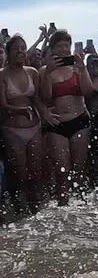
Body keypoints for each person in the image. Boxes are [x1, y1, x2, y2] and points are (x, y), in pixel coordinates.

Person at [38, 29, 98, 204]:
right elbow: (45, 97)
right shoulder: (45, 70)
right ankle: (63, 205)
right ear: (52, 49)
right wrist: (48, 73)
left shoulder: (77, 67)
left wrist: (82, 70)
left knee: (79, 169)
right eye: (59, 46)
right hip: (57, 124)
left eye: (67, 45)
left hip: (80, 119)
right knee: (61, 171)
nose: (64, 49)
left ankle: (80, 206)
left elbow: (88, 92)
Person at [0, 35, 47, 211]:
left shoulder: (32, 72)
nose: (20, 51)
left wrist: (46, 114)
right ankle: (20, 208)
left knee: (36, 171)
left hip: (34, 127)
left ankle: (35, 210)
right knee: (20, 172)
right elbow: (2, 105)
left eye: (23, 47)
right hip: (12, 129)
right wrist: (19, 110)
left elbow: (37, 99)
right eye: (16, 48)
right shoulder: (2, 75)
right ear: (8, 52)